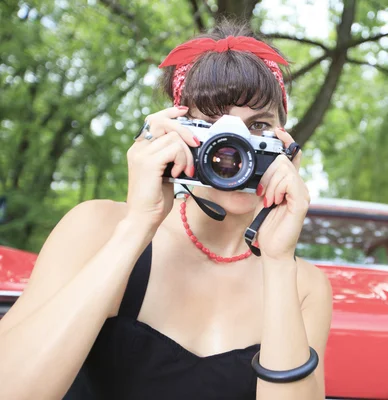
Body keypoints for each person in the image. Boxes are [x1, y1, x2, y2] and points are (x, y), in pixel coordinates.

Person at [0, 20, 333, 400]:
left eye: (259, 126)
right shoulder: (96, 228)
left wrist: (277, 261)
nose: (233, 149)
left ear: (287, 146)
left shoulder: (303, 286)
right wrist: (137, 226)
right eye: (210, 125)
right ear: (173, 133)